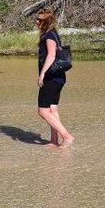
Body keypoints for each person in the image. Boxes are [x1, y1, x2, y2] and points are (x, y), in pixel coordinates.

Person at [36, 8, 75, 148]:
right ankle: (54, 140)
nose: (37, 22)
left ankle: (67, 136)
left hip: (51, 78)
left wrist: (42, 74)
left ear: (46, 22)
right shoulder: (53, 34)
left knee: (42, 110)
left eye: (40, 20)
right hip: (58, 78)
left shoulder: (49, 36)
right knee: (53, 109)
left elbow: (51, 55)